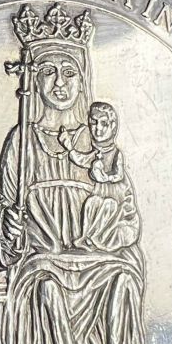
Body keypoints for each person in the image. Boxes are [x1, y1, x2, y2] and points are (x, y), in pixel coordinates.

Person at [0, 3, 162, 344]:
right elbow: (6, 211)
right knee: (48, 289)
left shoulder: (101, 145)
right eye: (49, 72)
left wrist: (111, 240)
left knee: (123, 280)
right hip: (44, 260)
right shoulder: (21, 143)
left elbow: (127, 213)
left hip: (97, 258)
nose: (60, 83)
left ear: (82, 80)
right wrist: (10, 226)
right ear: (34, 81)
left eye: (69, 73)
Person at [58, 101, 139, 252]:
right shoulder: (97, 153)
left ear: (113, 126)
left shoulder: (115, 153)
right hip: (102, 195)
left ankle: (96, 239)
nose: (98, 129)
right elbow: (81, 159)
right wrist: (69, 146)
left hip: (118, 200)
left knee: (108, 205)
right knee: (92, 202)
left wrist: (106, 177)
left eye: (104, 124)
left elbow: (119, 174)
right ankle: (85, 237)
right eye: (94, 123)